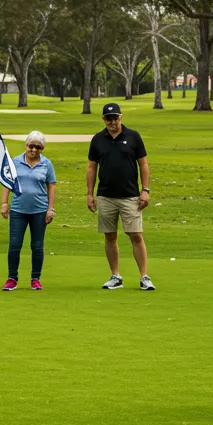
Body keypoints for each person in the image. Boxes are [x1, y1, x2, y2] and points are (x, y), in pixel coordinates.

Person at [85, 102, 154, 290]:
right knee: (110, 236)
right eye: (108, 118)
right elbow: (92, 167)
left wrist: (145, 190)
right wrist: (90, 194)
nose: (112, 122)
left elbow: (143, 164)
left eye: (115, 118)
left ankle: (144, 277)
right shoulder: (98, 139)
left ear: (121, 117)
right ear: (103, 120)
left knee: (136, 235)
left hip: (130, 195)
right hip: (105, 196)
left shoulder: (133, 137)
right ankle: (115, 276)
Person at [1, 131, 57, 291]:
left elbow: (51, 186)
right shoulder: (15, 162)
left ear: (42, 148)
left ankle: (35, 278)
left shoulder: (47, 164)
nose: (34, 149)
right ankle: (12, 278)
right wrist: (4, 203)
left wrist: (50, 209)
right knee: (14, 245)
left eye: (38, 147)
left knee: (37, 246)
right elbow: (6, 182)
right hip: (18, 209)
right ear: (26, 145)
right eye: (31, 146)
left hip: (39, 210)